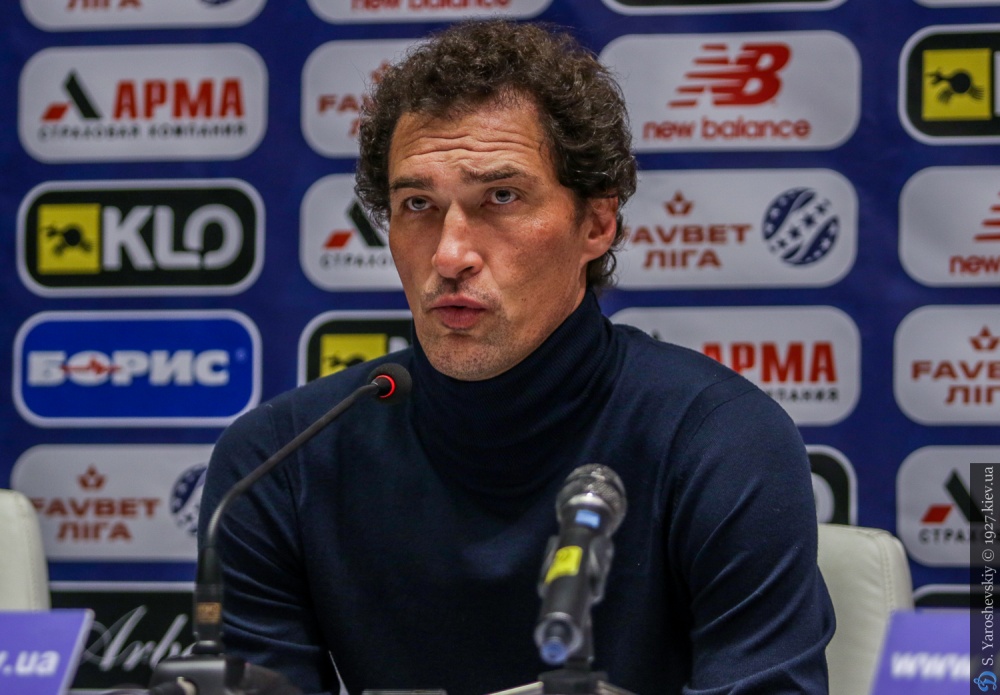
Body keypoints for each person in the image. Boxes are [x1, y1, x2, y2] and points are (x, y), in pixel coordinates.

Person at [200, 19, 835, 695]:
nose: (449, 255)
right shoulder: (279, 460)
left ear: (597, 223)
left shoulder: (719, 439)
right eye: (417, 204)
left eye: (500, 197)